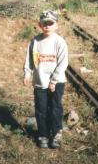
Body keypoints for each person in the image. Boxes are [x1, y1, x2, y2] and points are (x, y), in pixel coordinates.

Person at [23, 10, 69, 149]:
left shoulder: (59, 42)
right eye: (45, 23)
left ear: (56, 25)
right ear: (40, 24)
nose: (47, 26)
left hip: (57, 81)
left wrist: (54, 81)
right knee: (41, 109)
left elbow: (63, 63)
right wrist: (27, 73)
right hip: (40, 82)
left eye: (51, 23)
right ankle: (42, 134)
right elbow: (29, 60)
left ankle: (56, 134)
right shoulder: (35, 41)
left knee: (55, 108)